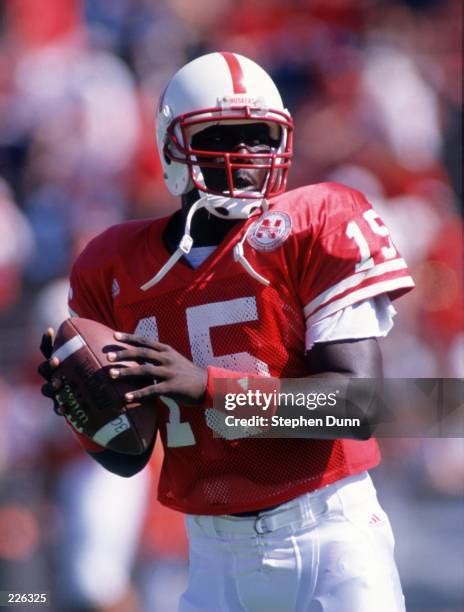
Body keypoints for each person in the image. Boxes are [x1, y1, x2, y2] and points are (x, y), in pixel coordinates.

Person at [39, 52, 414, 611]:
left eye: (261, 136)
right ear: (173, 149)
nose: (249, 153)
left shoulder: (315, 223)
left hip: (332, 540)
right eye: (226, 135)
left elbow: (358, 407)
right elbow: (128, 458)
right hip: (213, 557)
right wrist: (89, 406)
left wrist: (206, 388)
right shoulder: (111, 265)